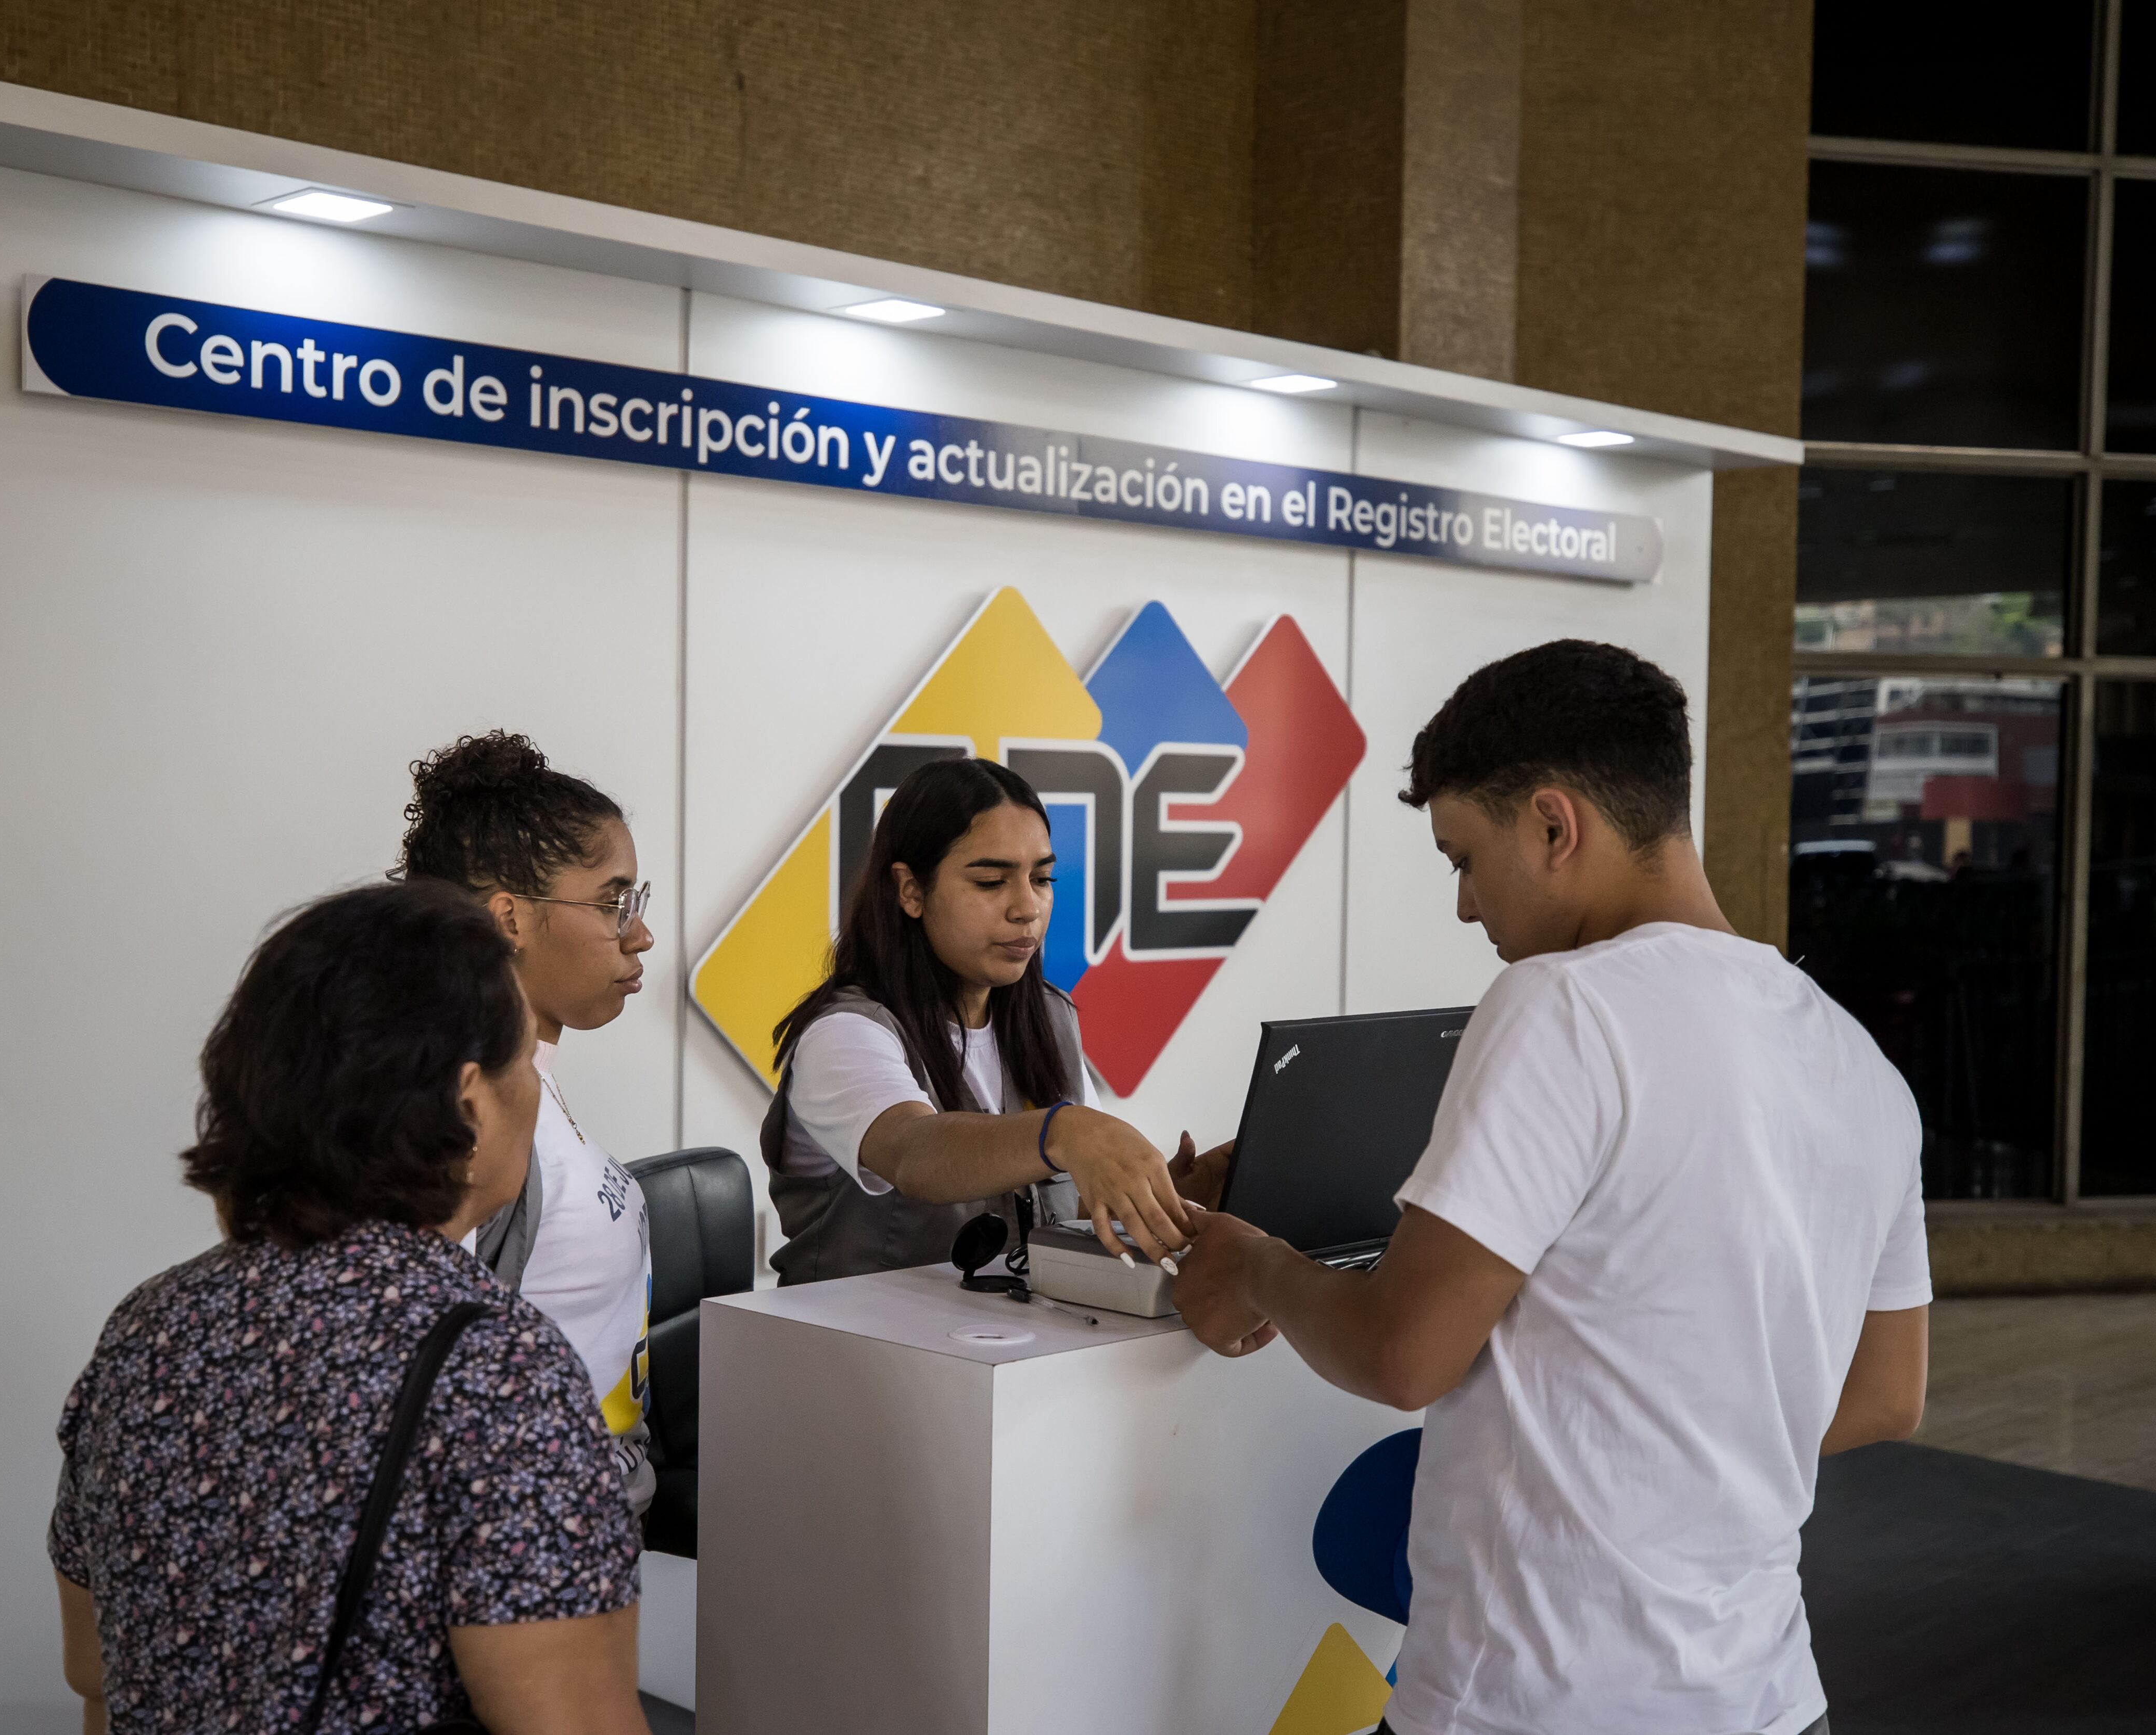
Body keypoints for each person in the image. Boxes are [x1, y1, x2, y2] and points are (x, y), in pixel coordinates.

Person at [1173, 640, 1929, 1735]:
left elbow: (1401, 1353)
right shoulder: (1860, 1064)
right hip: (1768, 1701)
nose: (1468, 906)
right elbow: (1883, 1394)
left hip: (1534, 1702)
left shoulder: (1563, 1004)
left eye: (1463, 858)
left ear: (1552, 825)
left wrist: (1253, 1262)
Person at [48, 881, 649, 1735]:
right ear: (469, 1103)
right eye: (523, 1061)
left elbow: (95, 1677)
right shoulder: (496, 1367)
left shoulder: (147, 1327)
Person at [766, 755, 1220, 1285]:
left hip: (1005, 1354)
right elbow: (914, 1152)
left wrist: (1159, 1196)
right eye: (989, 882)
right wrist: (1065, 1133)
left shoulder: (1049, 1016)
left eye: (1042, 878)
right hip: (853, 1356)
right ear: (910, 890)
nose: (1027, 907)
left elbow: (1065, 1224)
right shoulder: (843, 1032)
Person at [400, 732, 657, 1511]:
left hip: (586, 1520)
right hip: (528, 1543)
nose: (639, 933)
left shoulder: (529, 1082)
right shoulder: (461, 1113)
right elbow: (419, 1381)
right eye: (616, 902)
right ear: (509, 916)